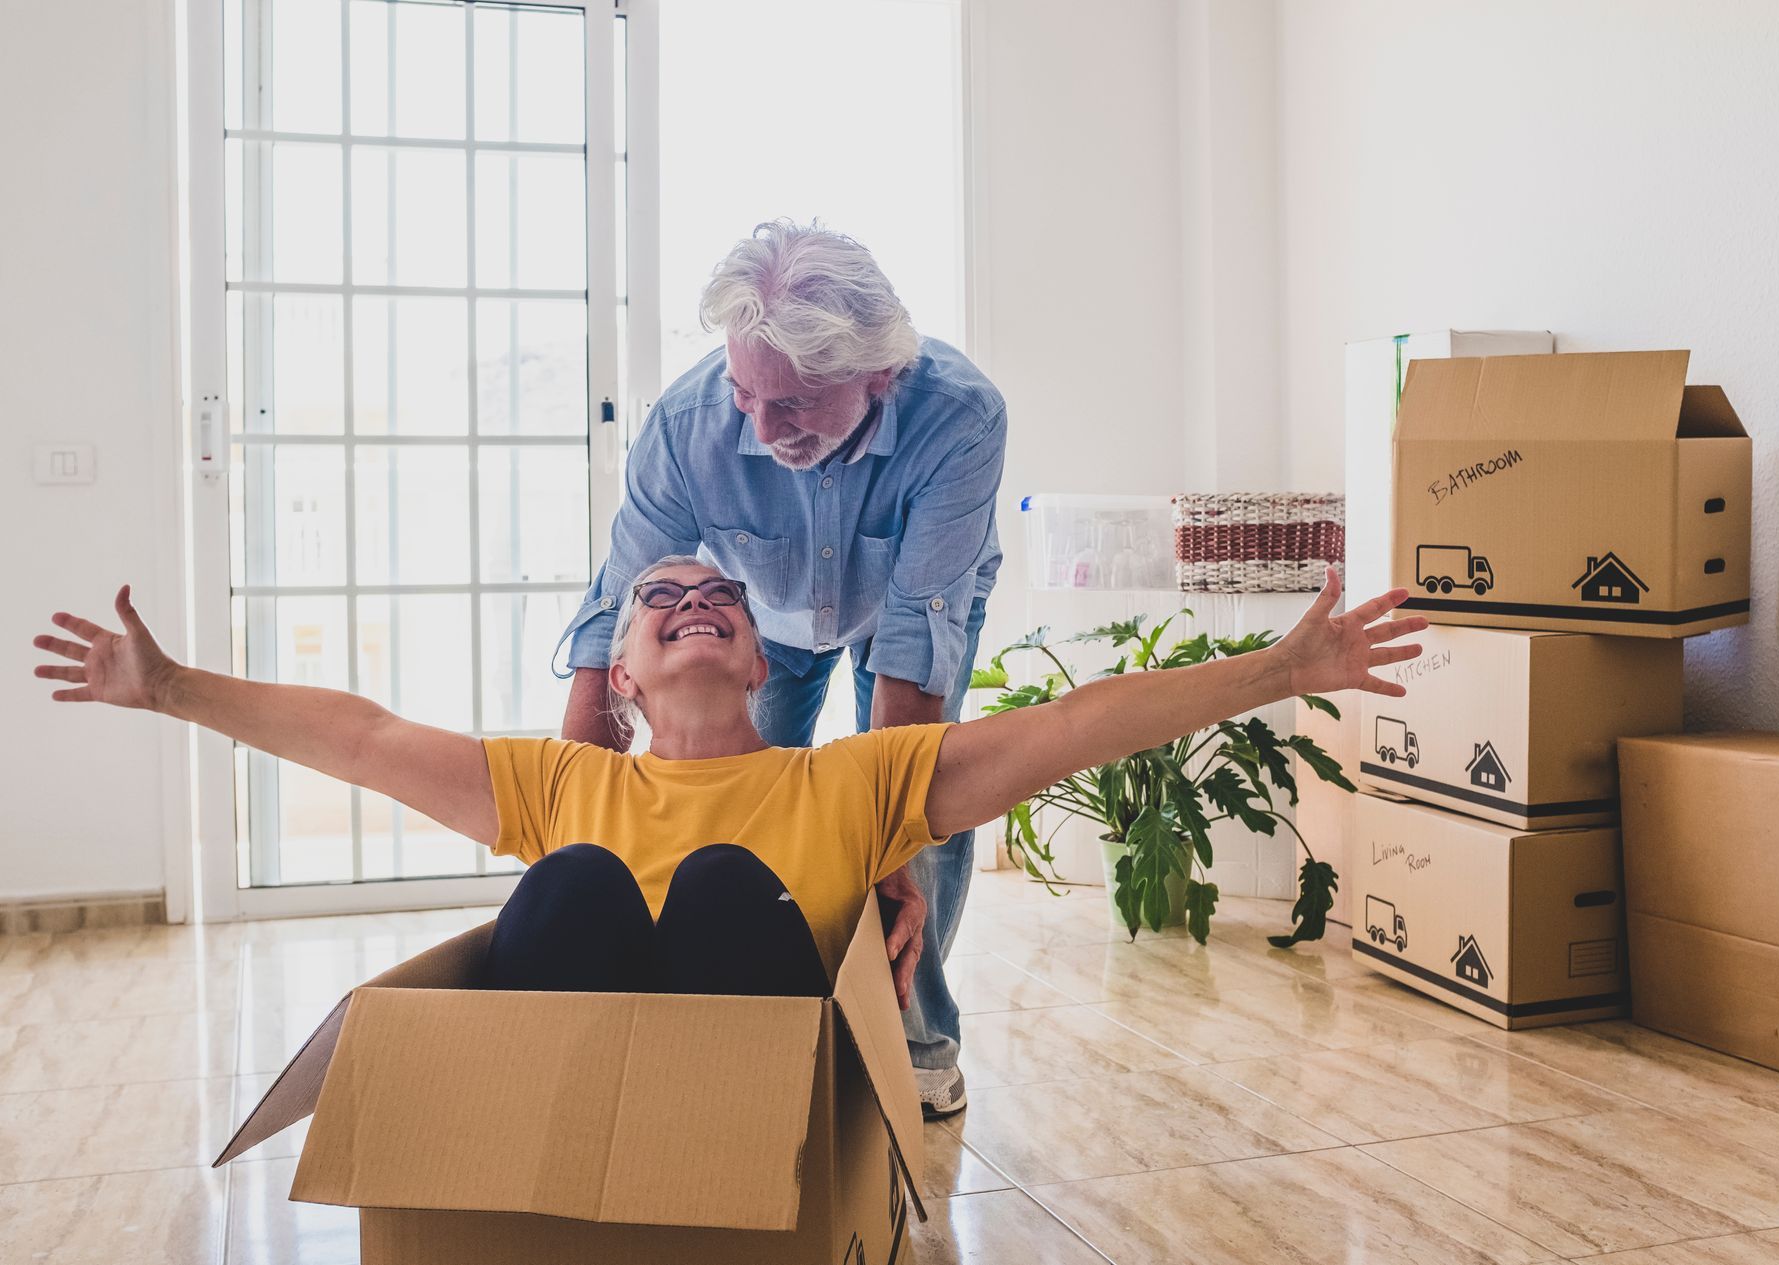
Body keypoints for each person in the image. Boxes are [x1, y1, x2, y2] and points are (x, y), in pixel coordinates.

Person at [32, 562, 1424, 1067]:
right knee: (573, 887)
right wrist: (172, 689)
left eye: (724, 600)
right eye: (659, 600)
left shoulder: (858, 782)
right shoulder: (563, 783)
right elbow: (360, 734)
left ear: (761, 661)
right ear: (621, 674)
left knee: (715, 893)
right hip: (576, 1082)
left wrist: (1281, 669)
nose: (693, 601)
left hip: (756, 1104)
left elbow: (1073, 725)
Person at [555, 221, 1006, 1114]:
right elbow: (620, 602)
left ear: (878, 374)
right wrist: (577, 802)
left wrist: (888, 844)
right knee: (745, 805)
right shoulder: (690, 426)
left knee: (927, 811)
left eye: (791, 407)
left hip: (909, 606)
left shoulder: (961, 416)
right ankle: (761, 1010)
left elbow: (916, 643)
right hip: (760, 612)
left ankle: (908, 1034)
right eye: (743, 393)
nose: (758, 427)